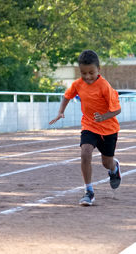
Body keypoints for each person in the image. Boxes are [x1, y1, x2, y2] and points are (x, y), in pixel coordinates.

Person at [49, 50, 122, 206]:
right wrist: (61, 112)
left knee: (106, 163)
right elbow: (67, 95)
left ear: (98, 69)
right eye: (83, 73)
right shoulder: (77, 84)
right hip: (89, 125)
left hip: (108, 129)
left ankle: (114, 168)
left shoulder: (104, 86)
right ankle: (88, 191)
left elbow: (117, 110)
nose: (87, 77)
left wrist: (103, 117)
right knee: (85, 152)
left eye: (91, 73)